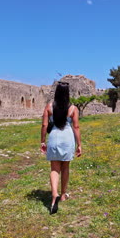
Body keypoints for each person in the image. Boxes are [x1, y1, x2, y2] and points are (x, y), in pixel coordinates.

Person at [40, 82, 82, 214]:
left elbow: (44, 126)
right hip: (67, 138)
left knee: (54, 168)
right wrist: (79, 144)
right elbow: (76, 127)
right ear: (68, 93)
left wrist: (42, 141)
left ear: (56, 92)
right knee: (65, 167)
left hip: (54, 138)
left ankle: (54, 194)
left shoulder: (49, 106)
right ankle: (63, 194)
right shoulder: (73, 108)